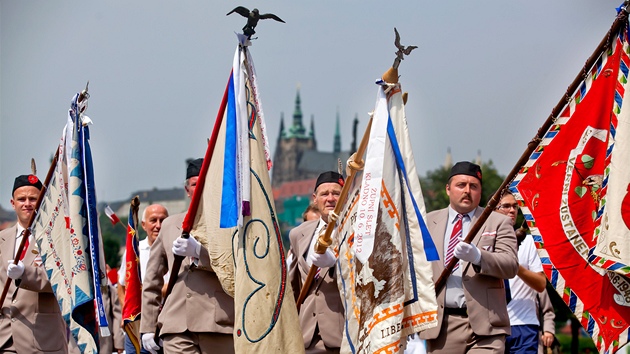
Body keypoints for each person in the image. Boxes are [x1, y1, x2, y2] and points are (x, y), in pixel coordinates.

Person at [419, 161, 519, 353]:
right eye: (461, 185)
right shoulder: (429, 222)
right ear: (448, 189)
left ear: (480, 192)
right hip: (443, 326)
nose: (467, 191)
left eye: (474, 186)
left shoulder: (498, 222)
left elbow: (510, 266)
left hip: (487, 327)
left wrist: (480, 257)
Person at [140, 158, 235, 354]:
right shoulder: (169, 225)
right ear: (187, 190)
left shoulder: (229, 224)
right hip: (176, 323)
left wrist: (199, 253)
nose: (199, 187)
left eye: (204, 183)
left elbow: (234, 265)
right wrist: (148, 326)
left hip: (217, 322)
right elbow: (152, 279)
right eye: (194, 184)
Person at [0, 174, 69, 353]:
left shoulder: (57, 238)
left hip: (41, 339)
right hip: (5, 339)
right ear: (12, 203)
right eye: (21, 199)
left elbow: (61, 279)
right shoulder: (2, 239)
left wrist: (25, 274)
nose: (27, 203)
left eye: (33, 199)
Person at [288, 171, 345, 354]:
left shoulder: (356, 232)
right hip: (306, 336)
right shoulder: (299, 234)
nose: (330, 199)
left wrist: (336, 264)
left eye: (336, 193)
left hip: (342, 335)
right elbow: (293, 285)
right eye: (324, 194)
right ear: (315, 198)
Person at [495, 191, 547, 354]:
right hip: (492, 325)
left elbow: (541, 284)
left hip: (523, 325)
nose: (512, 210)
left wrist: (513, 265)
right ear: (493, 210)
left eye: (515, 206)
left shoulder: (530, 243)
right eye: (506, 206)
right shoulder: (485, 241)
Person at [118, 203, 169, 353]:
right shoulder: (134, 251)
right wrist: (127, 312)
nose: (158, 226)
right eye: (153, 220)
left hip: (164, 325)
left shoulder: (176, 250)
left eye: (163, 220)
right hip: (137, 326)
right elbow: (121, 286)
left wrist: (148, 294)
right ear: (143, 224)